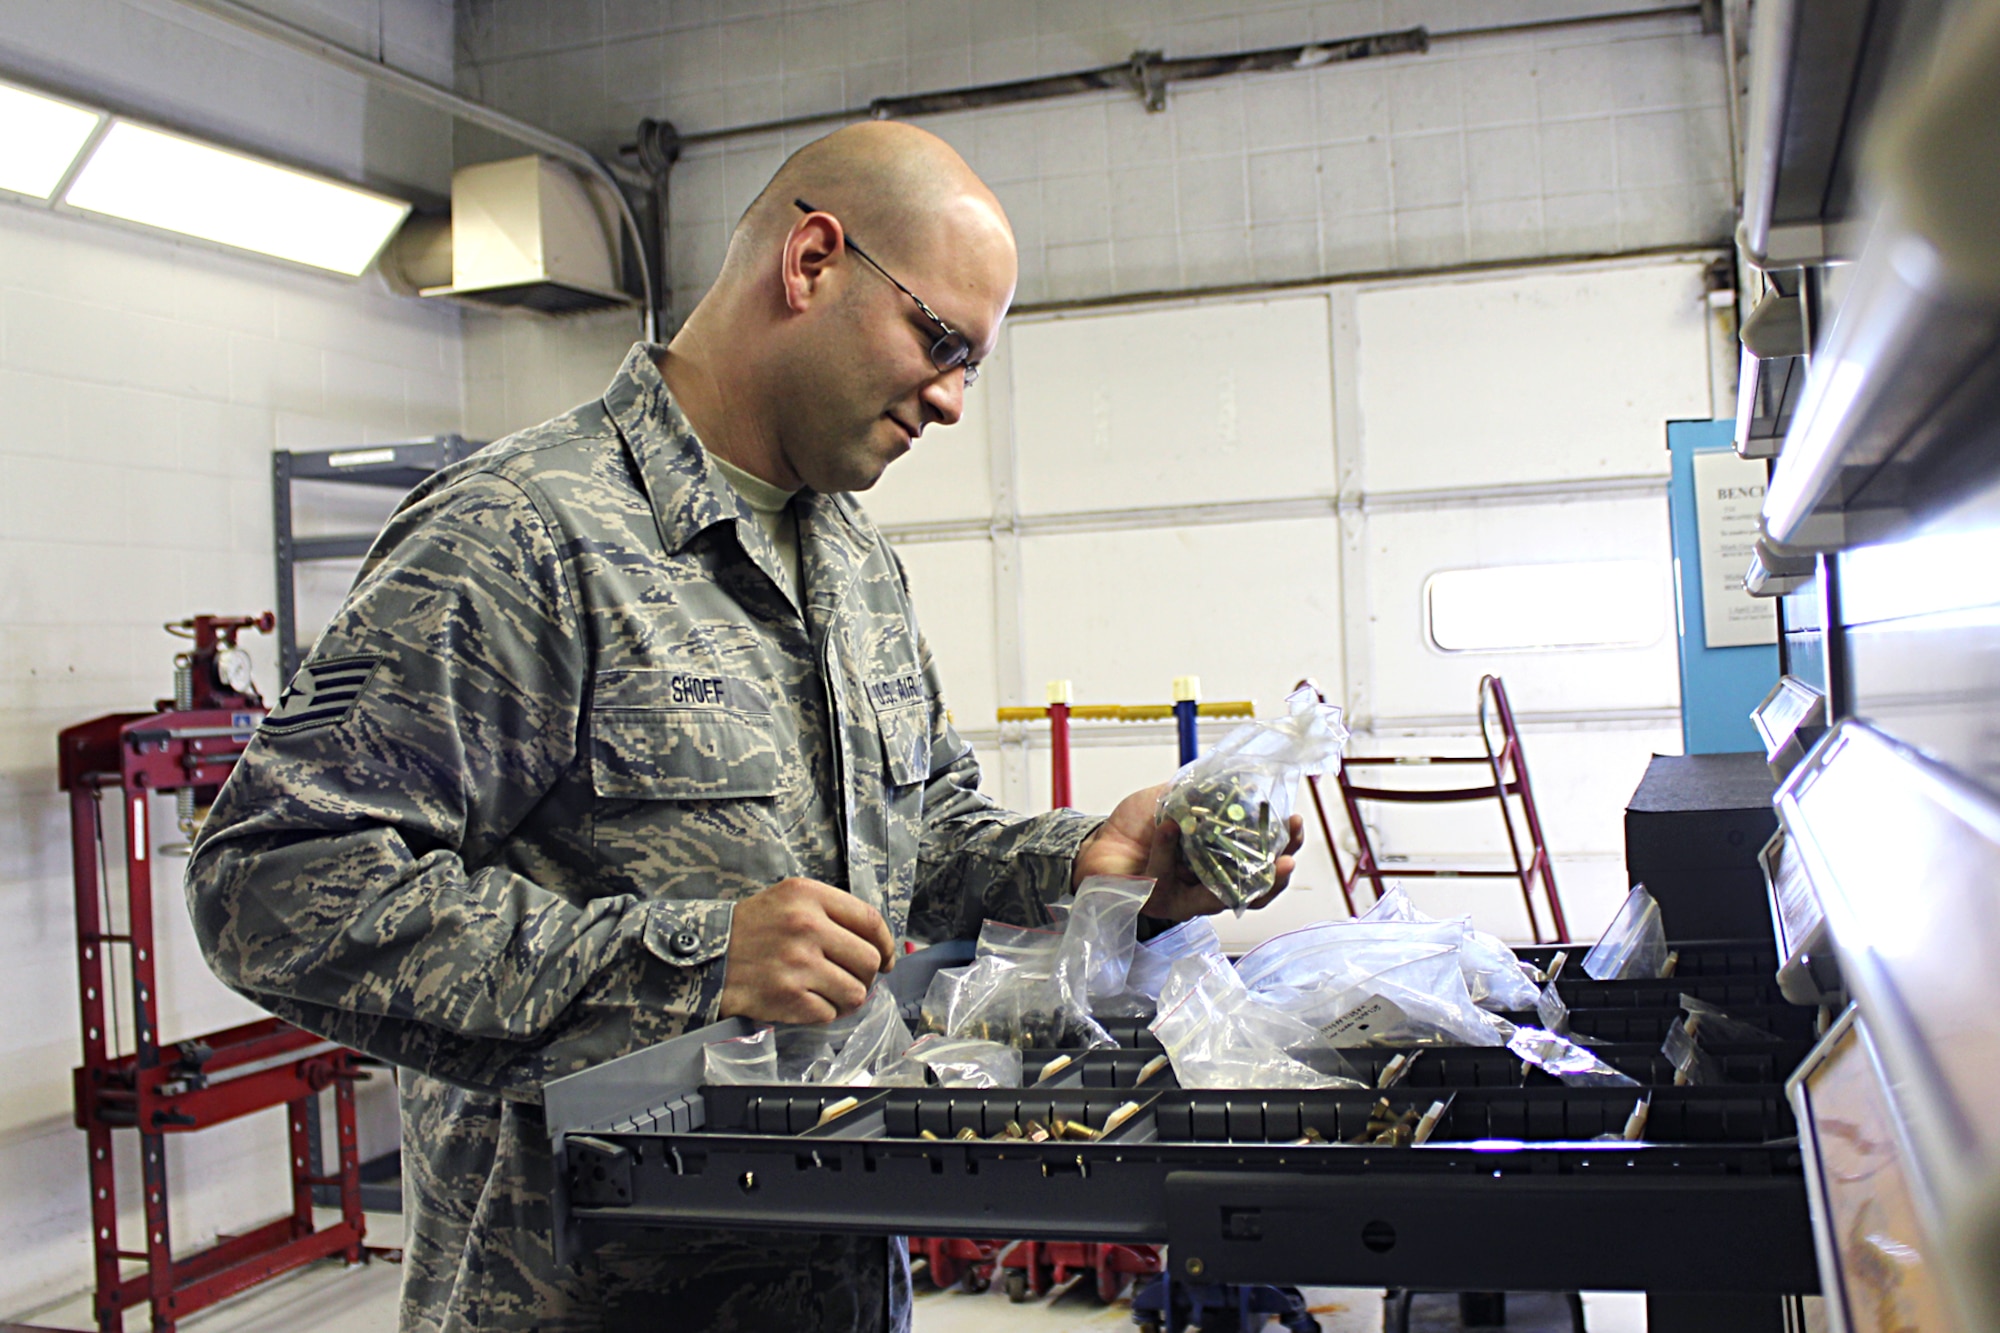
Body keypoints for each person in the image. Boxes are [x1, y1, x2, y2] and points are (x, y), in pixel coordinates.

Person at [187, 121, 1302, 1333]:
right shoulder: (523, 536)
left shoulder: (853, 564)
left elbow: (913, 838)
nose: (950, 401)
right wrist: (689, 963)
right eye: (939, 343)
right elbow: (269, 882)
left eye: (972, 366)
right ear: (812, 260)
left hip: (833, 1291)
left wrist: (1089, 864)